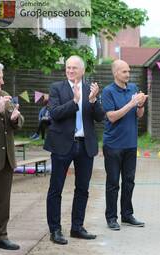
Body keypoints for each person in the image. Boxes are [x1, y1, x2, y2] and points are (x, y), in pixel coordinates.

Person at [44, 55, 105, 245]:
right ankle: (55, 230)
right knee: (56, 189)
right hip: (62, 145)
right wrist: (74, 102)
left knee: (83, 189)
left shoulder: (90, 89)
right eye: (68, 67)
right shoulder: (57, 88)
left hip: (85, 145)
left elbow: (100, 117)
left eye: (74, 68)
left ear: (83, 70)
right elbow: (54, 114)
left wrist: (93, 100)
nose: (70, 71)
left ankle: (77, 227)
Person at [102, 60, 147, 230]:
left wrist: (140, 105)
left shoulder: (134, 88)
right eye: (124, 72)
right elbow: (112, 116)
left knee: (129, 181)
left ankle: (127, 215)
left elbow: (139, 115)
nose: (127, 74)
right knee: (113, 182)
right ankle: (111, 218)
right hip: (113, 145)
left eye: (128, 71)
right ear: (115, 73)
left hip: (130, 144)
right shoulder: (108, 91)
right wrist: (131, 103)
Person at [0, 60, 23, 250]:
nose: (2, 82)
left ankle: (0, 236)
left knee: (3, 202)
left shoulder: (4, 95)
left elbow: (17, 120)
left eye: (2, 78)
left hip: (5, 160)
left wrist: (15, 118)